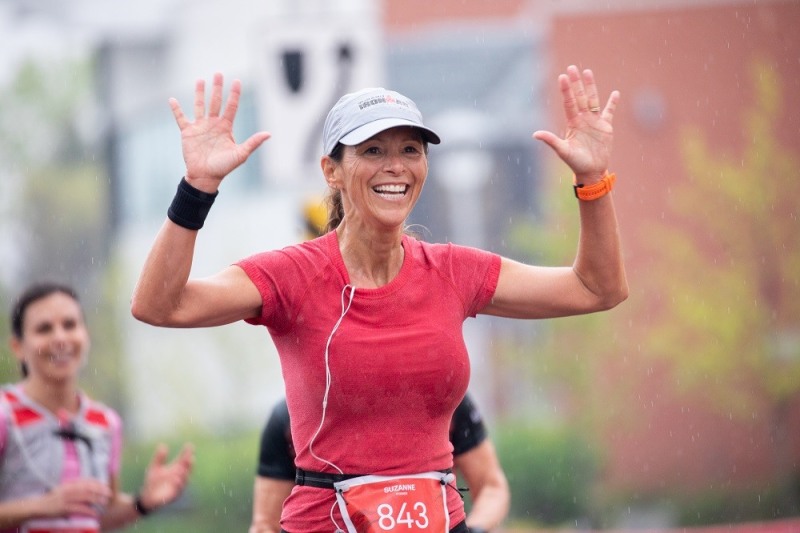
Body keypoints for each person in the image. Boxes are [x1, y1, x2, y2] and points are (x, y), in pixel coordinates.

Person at [131, 65, 627, 532]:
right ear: (332, 170)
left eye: (411, 149)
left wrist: (592, 182)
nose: (396, 166)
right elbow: (159, 305)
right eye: (372, 151)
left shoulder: (453, 271)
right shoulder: (291, 274)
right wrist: (198, 187)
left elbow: (597, 288)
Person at [0, 282, 194, 532]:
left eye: (70, 325)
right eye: (44, 329)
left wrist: (143, 502)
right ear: (18, 347)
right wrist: (42, 506)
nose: (60, 338)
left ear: (85, 335)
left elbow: (99, 516)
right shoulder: (6, 414)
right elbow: (54, 507)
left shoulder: (105, 423)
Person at [250, 393, 509, 533]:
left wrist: (476, 529)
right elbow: (265, 524)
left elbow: (491, 486)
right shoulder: (288, 420)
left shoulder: (447, 401)